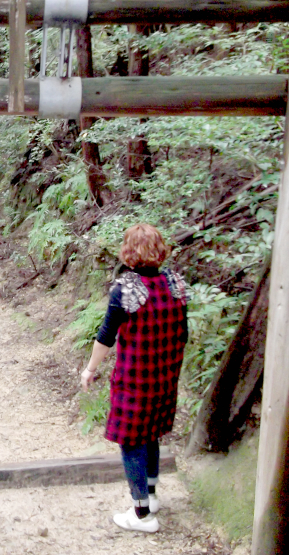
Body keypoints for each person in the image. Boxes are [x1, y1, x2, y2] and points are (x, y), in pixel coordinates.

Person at [80, 223, 188, 534]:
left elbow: (106, 336)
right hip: (166, 375)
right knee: (151, 433)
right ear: (160, 250)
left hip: (135, 377)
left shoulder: (125, 290)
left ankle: (142, 514)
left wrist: (90, 369)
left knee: (131, 440)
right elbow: (184, 334)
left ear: (128, 253)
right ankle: (151, 496)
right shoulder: (176, 284)